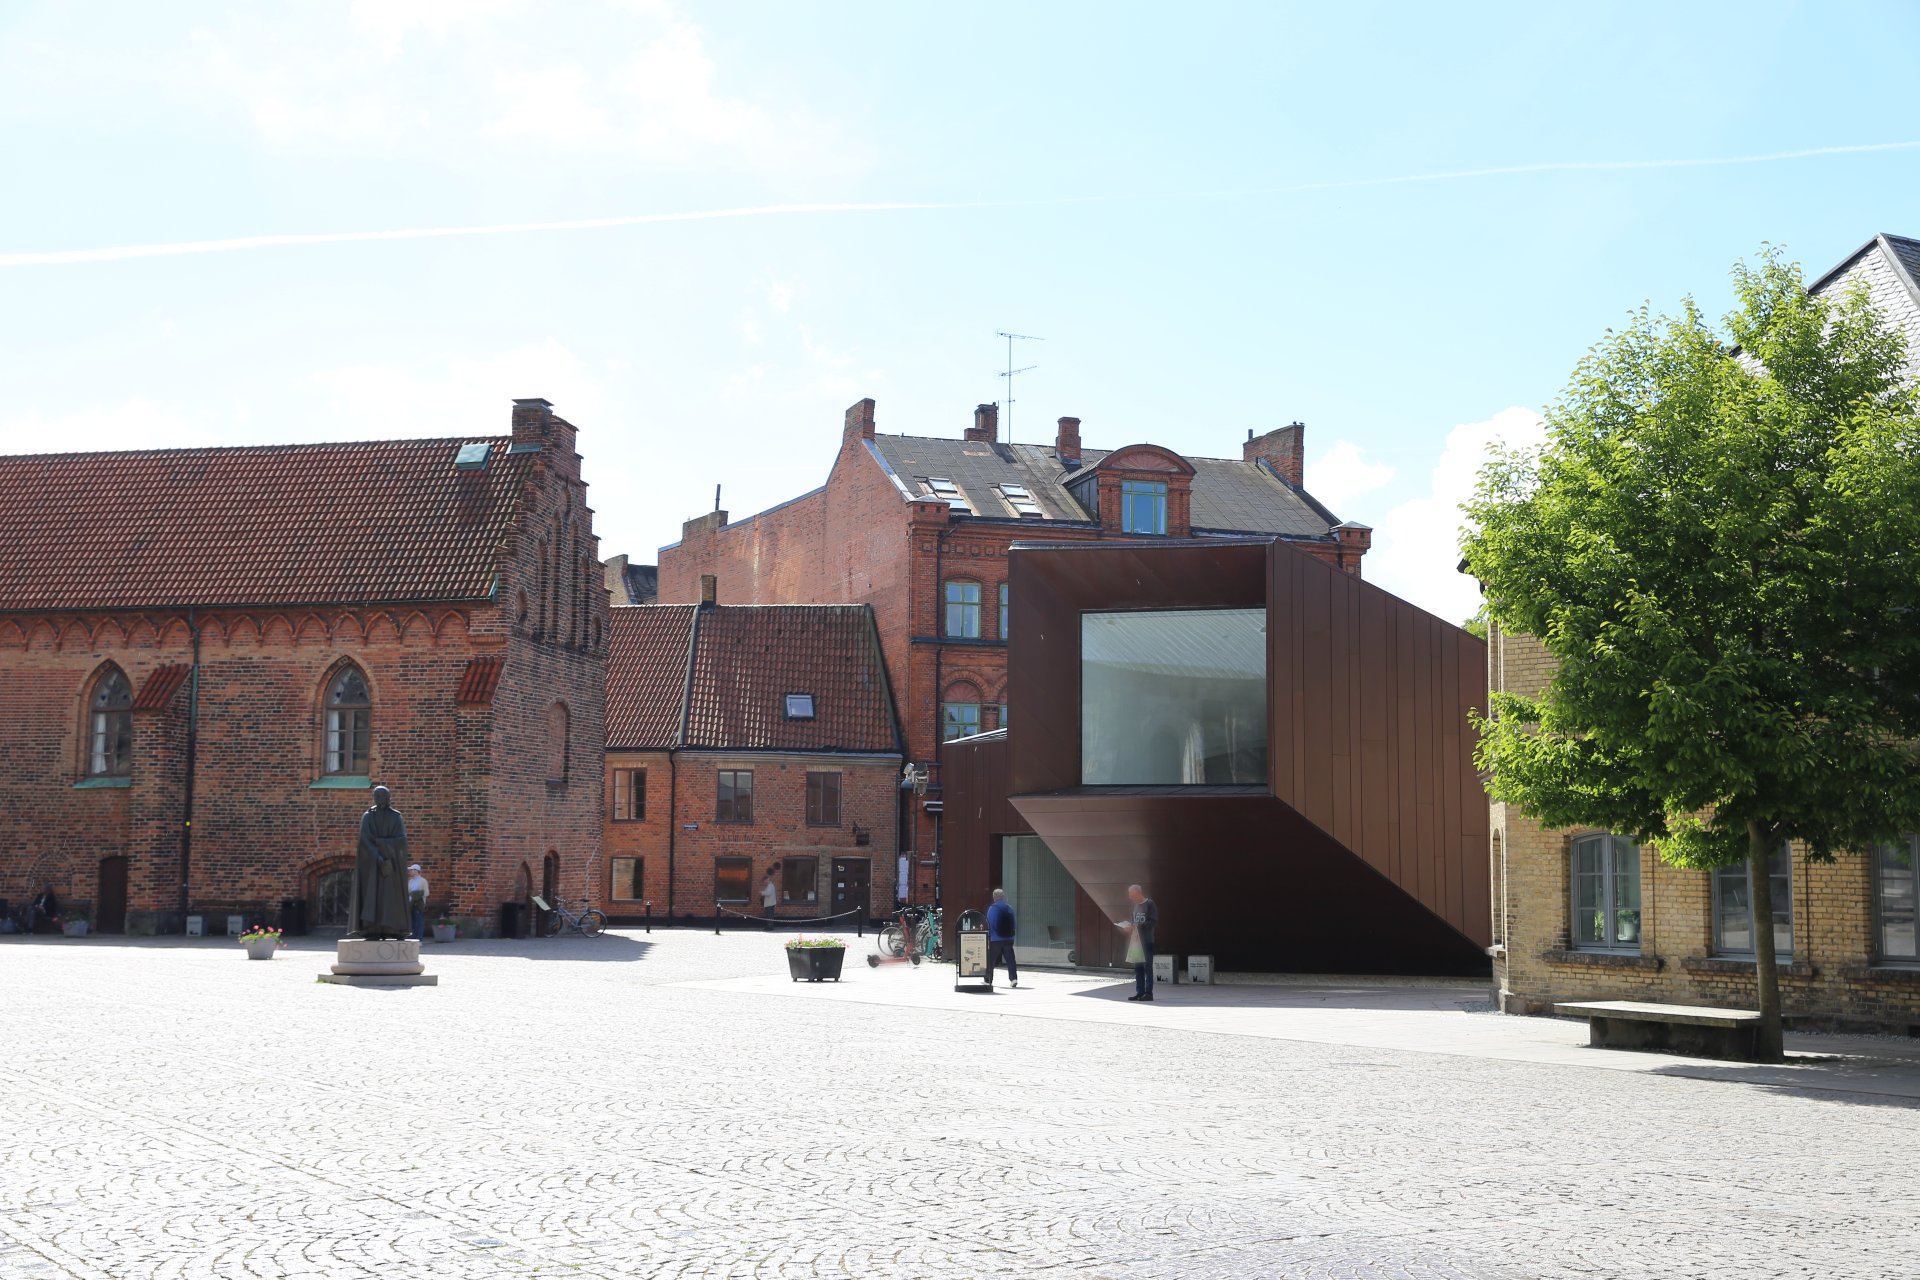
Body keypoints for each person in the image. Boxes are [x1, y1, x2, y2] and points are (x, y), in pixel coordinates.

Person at [350, 785, 412, 940]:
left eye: (381, 796)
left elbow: (402, 840)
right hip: (372, 864)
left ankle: (393, 929)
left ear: (388, 797)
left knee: (391, 897)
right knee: (372, 896)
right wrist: (377, 857)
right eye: (376, 796)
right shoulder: (368, 817)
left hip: (392, 863)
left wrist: (381, 844)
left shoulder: (396, 817)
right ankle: (372, 929)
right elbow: (364, 840)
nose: (378, 799)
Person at [1116, 883, 1158, 1002]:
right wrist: (1129, 926)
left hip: (1147, 941)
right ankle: (1139, 992)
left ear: (1139, 893)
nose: (1130, 897)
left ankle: (1148, 993)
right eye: (1130, 895)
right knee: (1138, 967)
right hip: (1136, 942)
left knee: (1147, 967)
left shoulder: (1150, 904)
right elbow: (1134, 920)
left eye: (1132, 895)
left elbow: (1153, 922)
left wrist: (1138, 926)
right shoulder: (1135, 905)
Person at [984, 888, 1018, 989]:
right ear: (1003, 897)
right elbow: (1014, 924)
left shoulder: (993, 908)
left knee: (991, 959)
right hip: (1009, 938)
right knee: (1010, 959)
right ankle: (1013, 979)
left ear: (994, 897)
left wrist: (988, 938)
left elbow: (989, 924)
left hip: (995, 939)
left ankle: (988, 979)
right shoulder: (1009, 908)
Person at [406, 863, 430, 941]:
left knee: (419, 921)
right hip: (411, 904)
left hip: (418, 904)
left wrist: (417, 895)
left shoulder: (423, 881)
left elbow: (426, 892)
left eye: (411, 870)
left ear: (416, 871)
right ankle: (413, 935)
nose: (410, 872)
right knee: (412, 920)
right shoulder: (410, 881)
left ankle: (419, 937)